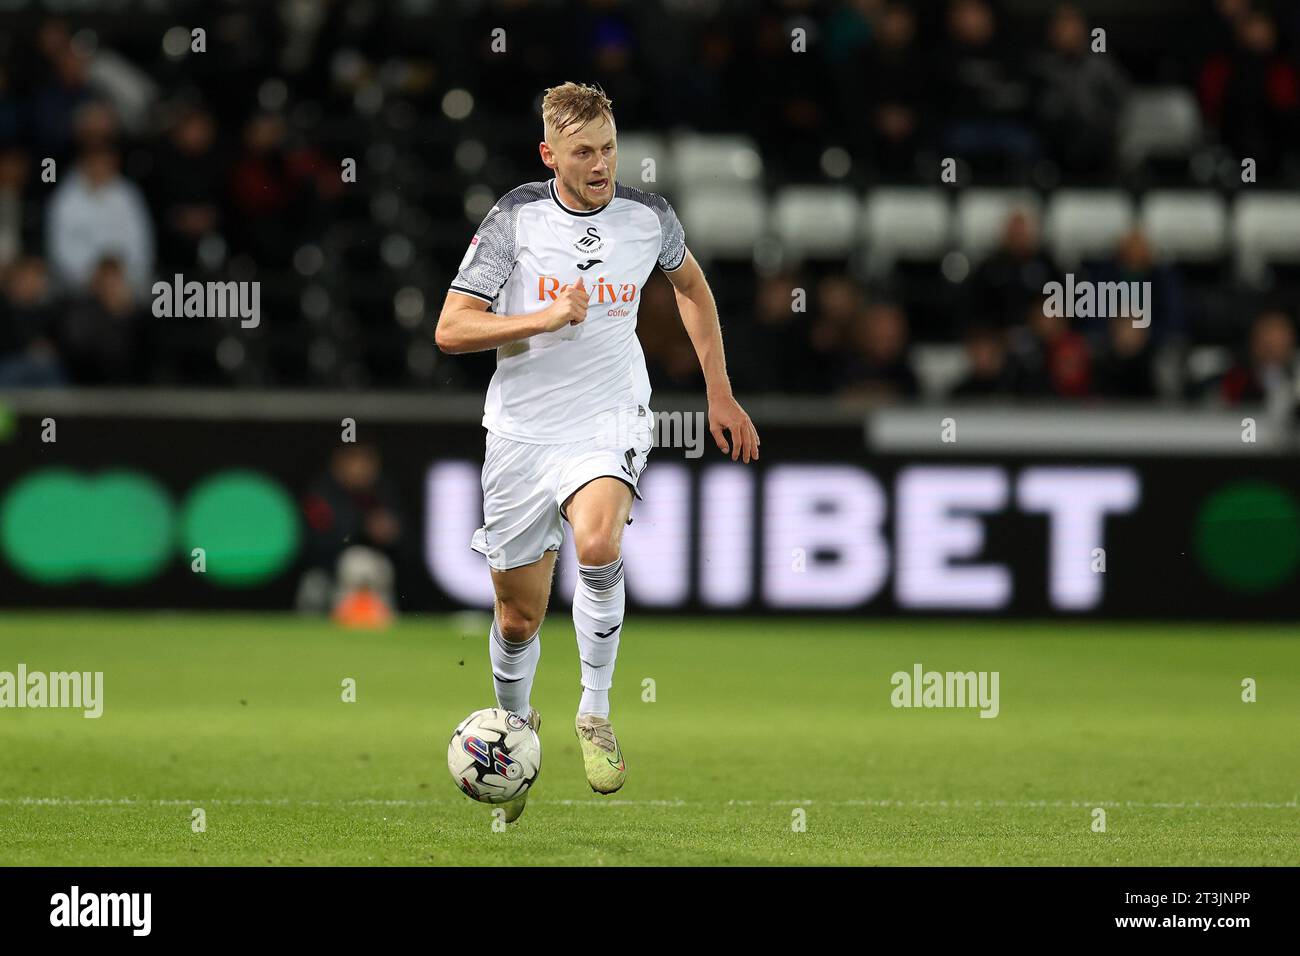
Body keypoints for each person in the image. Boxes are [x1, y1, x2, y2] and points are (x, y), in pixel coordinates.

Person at [436, 82, 759, 822]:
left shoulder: (649, 218)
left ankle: (594, 710)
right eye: (584, 152)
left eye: (609, 147)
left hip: (609, 419)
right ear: (550, 154)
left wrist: (719, 390)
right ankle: (515, 733)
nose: (601, 163)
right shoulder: (516, 218)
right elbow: (452, 329)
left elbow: (693, 290)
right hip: (521, 432)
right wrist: (546, 317)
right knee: (518, 619)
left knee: (599, 539)